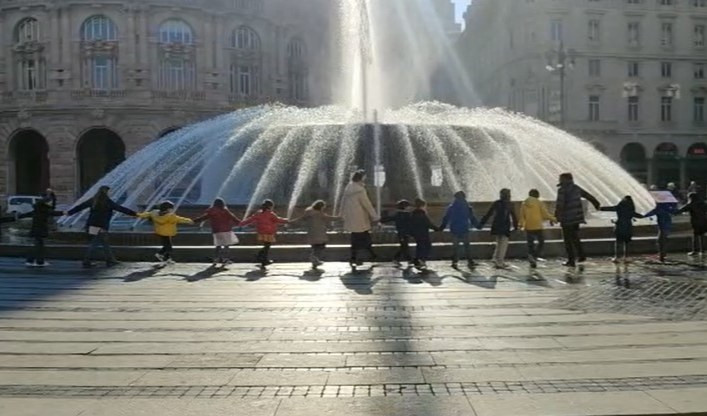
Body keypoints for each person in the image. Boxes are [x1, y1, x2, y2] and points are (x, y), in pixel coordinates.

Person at [67, 185, 137, 268]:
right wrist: (134, 214)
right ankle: (87, 261)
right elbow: (120, 208)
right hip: (102, 225)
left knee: (104, 242)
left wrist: (69, 212)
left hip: (92, 224)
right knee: (95, 242)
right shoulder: (107, 201)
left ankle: (110, 260)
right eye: (109, 192)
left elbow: (80, 207)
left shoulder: (93, 200)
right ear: (106, 192)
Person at [555, 173, 601, 267]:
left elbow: (560, 204)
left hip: (567, 218)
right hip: (577, 218)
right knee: (574, 237)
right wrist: (596, 203)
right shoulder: (576, 188)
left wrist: (556, 216)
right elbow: (588, 196)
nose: (559, 180)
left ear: (564, 179)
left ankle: (571, 261)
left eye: (560, 178)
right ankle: (581, 255)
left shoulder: (562, 190)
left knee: (568, 239)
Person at [340, 170, 379, 268]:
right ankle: (370, 255)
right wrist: (375, 216)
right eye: (364, 177)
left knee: (355, 237)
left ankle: (357, 257)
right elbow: (367, 204)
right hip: (360, 217)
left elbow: (343, 202)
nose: (365, 178)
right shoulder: (360, 189)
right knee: (365, 237)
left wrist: (342, 214)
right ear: (361, 177)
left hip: (351, 217)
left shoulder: (348, 187)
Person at [18, 196, 65, 267]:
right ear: (45, 202)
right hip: (40, 230)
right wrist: (63, 212)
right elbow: (53, 213)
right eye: (50, 202)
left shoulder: (38, 209)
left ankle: (31, 260)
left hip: (36, 229)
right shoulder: (44, 209)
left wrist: (18, 216)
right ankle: (39, 262)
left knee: (37, 246)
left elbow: (27, 214)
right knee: (39, 247)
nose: (51, 203)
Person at [239, 199, 289, 268]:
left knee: (266, 246)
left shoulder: (258, 213)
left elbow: (250, 219)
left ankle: (262, 259)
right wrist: (286, 220)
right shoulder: (270, 214)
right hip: (269, 232)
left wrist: (241, 223)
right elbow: (277, 220)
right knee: (267, 246)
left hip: (262, 232)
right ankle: (262, 259)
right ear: (270, 206)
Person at [194, 198, 241, 265]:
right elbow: (233, 218)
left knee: (218, 245)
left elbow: (204, 217)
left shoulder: (212, 211)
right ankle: (225, 259)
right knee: (226, 246)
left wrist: (194, 221)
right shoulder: (225, 211)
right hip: (226, 230)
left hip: (217, 231)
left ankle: (216, 259)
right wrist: (240, 223)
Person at [479, 188, 518, 269]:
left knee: (499, 242)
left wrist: (482, 223)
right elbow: (514, 216)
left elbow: (489, 213)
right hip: (504, 226)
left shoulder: (497, 203)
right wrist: (515, 227)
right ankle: (499, 262)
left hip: (497, 225)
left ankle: (495, 258)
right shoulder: (510, 204)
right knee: (503, 244)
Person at [439, 191, 479, 269]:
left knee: (455, 246)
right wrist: (478, 226)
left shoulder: (451, 207)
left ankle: (455, 261)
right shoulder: (467, 207)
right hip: (464, 228)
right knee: (467, 246)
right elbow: (472, 218)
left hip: (455, 229)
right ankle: (470, 261)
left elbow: (446, 218)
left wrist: (442, 227)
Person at [295, 200, 338, 269]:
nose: (323, 208)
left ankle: (315, 260)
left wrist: (291, 222)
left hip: (311, 233)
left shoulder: (308, 212)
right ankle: (314, 258)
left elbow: (301, 218)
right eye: (323, 207)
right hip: (319, 233)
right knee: (321, 246)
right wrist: (340, 217)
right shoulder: (319, 214)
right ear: (321, 207)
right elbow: (330, 218)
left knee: (315, 246)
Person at [519, 189, 556, 268]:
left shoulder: (524, 203)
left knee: (530, 244)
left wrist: (521, 225)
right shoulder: (539, 203)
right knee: (541, 242)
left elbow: (522, 216)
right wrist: (553, 219)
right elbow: (545, 214)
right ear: (536, 195)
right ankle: (534, 256)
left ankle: (531, 256)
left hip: (528, 226)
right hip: (537, 226)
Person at [600, 196, 643, 264]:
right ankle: (626, 257)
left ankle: (616, 257)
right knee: (627, 242)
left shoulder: (619, 207)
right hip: (628, 226)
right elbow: (638, 215)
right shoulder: (630, 209)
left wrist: (600, 208)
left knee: (618, 242)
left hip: (619, 226)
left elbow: (610, 208)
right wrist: (645, 215)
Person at [409, 198, 439, 270]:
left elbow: (410, 224)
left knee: (419, 246)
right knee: (427, 246)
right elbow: (428, 224)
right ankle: (421, 259)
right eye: (425, 206)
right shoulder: (422, 214)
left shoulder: (413, 214)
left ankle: (417, 260)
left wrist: (411, 232)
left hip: (416, 233)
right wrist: (437, 229)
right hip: (423, 233)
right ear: (422, 206)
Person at [380, 200, 413, 266]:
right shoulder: (405, 215)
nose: (410, 208)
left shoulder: (400, 214)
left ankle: (405, 260)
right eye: (408, 206)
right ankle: (407, 260)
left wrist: (383, 217)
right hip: (403, 233)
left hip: (402, 233)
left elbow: (388, 219)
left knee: (404, 247)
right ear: (405, 207)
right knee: (404, 247)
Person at [676, 192, 707, 257]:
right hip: (704, 221)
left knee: (695, 236)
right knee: (702, 235)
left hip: (695, 222)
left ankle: (695, 251)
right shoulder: (703, 203)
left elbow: (679, 211)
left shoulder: (690, 204)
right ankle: (702, 250)